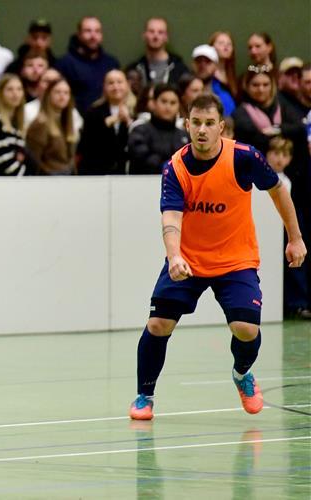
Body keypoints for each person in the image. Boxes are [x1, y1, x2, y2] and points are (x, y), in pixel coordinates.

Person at [128, 93, 307, 421]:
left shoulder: (244, 157)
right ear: (187, 125)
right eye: (196, 122)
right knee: (158, 324)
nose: (202, 130)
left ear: (221, 127)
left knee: (245, 329)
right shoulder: (176, 168)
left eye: (209, 123)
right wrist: (174, 257)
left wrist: (295, 238)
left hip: (236, 259)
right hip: (189, 260)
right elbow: (170, 219)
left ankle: (242, 374)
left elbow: (278, 189)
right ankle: (144, 395)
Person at [266, 136, 311, 320]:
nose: (279, 159)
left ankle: (297, 303)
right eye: (275, 153)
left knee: (294, 265)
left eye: (284, 155)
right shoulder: (261, 177)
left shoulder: (288, 181)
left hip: (284, 231)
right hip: (265, 231)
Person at [56, 16, 119, 114]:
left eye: (97, 31)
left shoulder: (111, 63)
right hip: (75, 122)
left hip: (107, 121)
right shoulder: (64, 64)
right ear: (79, 34)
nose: (93, 36)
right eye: (88, 31)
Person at [76, 69, 133, 175]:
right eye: (111, 83)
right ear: (104, 87)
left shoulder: (136, 111)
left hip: (125, 173)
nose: (116, 87)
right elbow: (86, 144)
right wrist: (111, 121)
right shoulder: (93, 112)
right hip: (96, 172)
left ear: (127, 85)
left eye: (119, 82)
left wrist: (129, 121)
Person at [128, 83, 189, 175]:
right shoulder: (140, 131)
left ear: (178, 106)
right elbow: (142, 158)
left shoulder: (184, 135)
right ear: (153, 103)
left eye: (173, 103)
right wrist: (168, 168)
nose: (168, 107)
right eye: (164, 101)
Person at [25, 77, 77, 175]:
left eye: (66, 93)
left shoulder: (66, 122)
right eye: (57, 92)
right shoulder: (40, 123)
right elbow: (33, 160)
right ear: (48, 95)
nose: (62, 96)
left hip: (68, 178)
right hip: (48, 180)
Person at [125, 17, 190, 88]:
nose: (155, 36)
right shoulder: (134, 70)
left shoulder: (179, 69)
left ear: (166, 37)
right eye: (151, 31)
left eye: (160, 32)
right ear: (144, 35)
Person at [191, 44, 235, 116]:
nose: (202, 65)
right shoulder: (182, 91)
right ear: (192, 64)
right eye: (198, 61)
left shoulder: (224, 96)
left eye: (208, 61)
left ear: (216, 66)